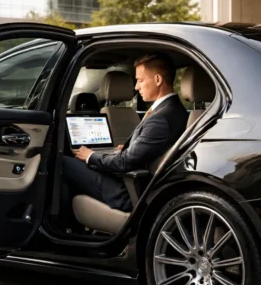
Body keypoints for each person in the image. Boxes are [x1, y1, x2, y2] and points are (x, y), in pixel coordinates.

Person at [59, 52, 188, 225]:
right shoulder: (177, 111)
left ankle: (62, 227)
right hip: (140, 181)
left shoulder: (161, 118)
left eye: (140, 80)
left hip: (129, 192)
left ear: (158, 80)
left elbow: (124, 163)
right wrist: (126, 150)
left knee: (62, 163)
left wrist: (90, 155)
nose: (136, 87)